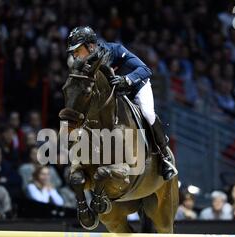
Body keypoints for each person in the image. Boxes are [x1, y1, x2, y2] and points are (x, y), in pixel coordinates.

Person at [66, 26, 176, 180]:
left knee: (147, 113)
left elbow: (145, 69)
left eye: (77, 50)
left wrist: (127, 79)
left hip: (136, 87)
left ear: (90, 46)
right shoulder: (83, 65)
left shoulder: (115, 50)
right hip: (114, 95)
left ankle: (165, 156)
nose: (74, 54)